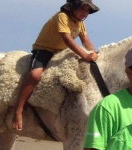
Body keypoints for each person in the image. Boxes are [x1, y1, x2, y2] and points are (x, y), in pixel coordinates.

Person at [12, 0, 100, 131]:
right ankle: (18, 110)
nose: (85, 13)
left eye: (88, 10)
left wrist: (94, 53)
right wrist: (86, 55)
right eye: (82, 9)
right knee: (35, 75)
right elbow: (67, 39)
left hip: (61, 52)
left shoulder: (80, 22)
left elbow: (85, 40)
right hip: (44, 50)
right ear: (72, 7)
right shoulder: (62, 16)